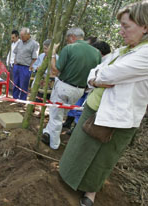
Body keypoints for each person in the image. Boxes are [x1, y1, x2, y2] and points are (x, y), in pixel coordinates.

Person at [59, 2, 148, 205]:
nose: (121, 31)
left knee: (102, 157)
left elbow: (110, 73)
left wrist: (99, 77)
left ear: (145, 26)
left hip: (119, 117)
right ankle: (66, 178)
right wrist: (96, 79)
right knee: (79, 147)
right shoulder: (123, 50)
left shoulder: (145, 53)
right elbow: (97, 70)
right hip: (95, 106)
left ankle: (90, 192)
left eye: (126, 26)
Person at [42, 27, 102, 150]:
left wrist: (53, 53)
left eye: (67, 39)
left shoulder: (69, 48)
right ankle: (47, 132)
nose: (67, 42)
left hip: (64, 87)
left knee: (55, 115)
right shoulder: (96, 53)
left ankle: (54, 144)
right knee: (60, 114)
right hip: (80, 90)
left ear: (72, 37)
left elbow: (55, 69)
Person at [63, 40, 111, 132]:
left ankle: (76, 129)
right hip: (85, 86)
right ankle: (68, 123)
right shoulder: (100, 59)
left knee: (80, 109)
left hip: (93, 90)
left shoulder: (108, 61)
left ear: (99, 52)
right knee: (76, 105)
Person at [13, 27, 39, 100]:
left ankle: (22, 100)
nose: (21, 37)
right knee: (16, 83)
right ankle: (15, 98)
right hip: (17, 66)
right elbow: (15, 52)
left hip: (25, 67)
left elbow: (35, 58)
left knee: (23, 85)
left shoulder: (34, 44)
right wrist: (15, 62)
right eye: (20, 36)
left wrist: (30, 67)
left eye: (23, 36)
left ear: (28, 35)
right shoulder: (19, 42)